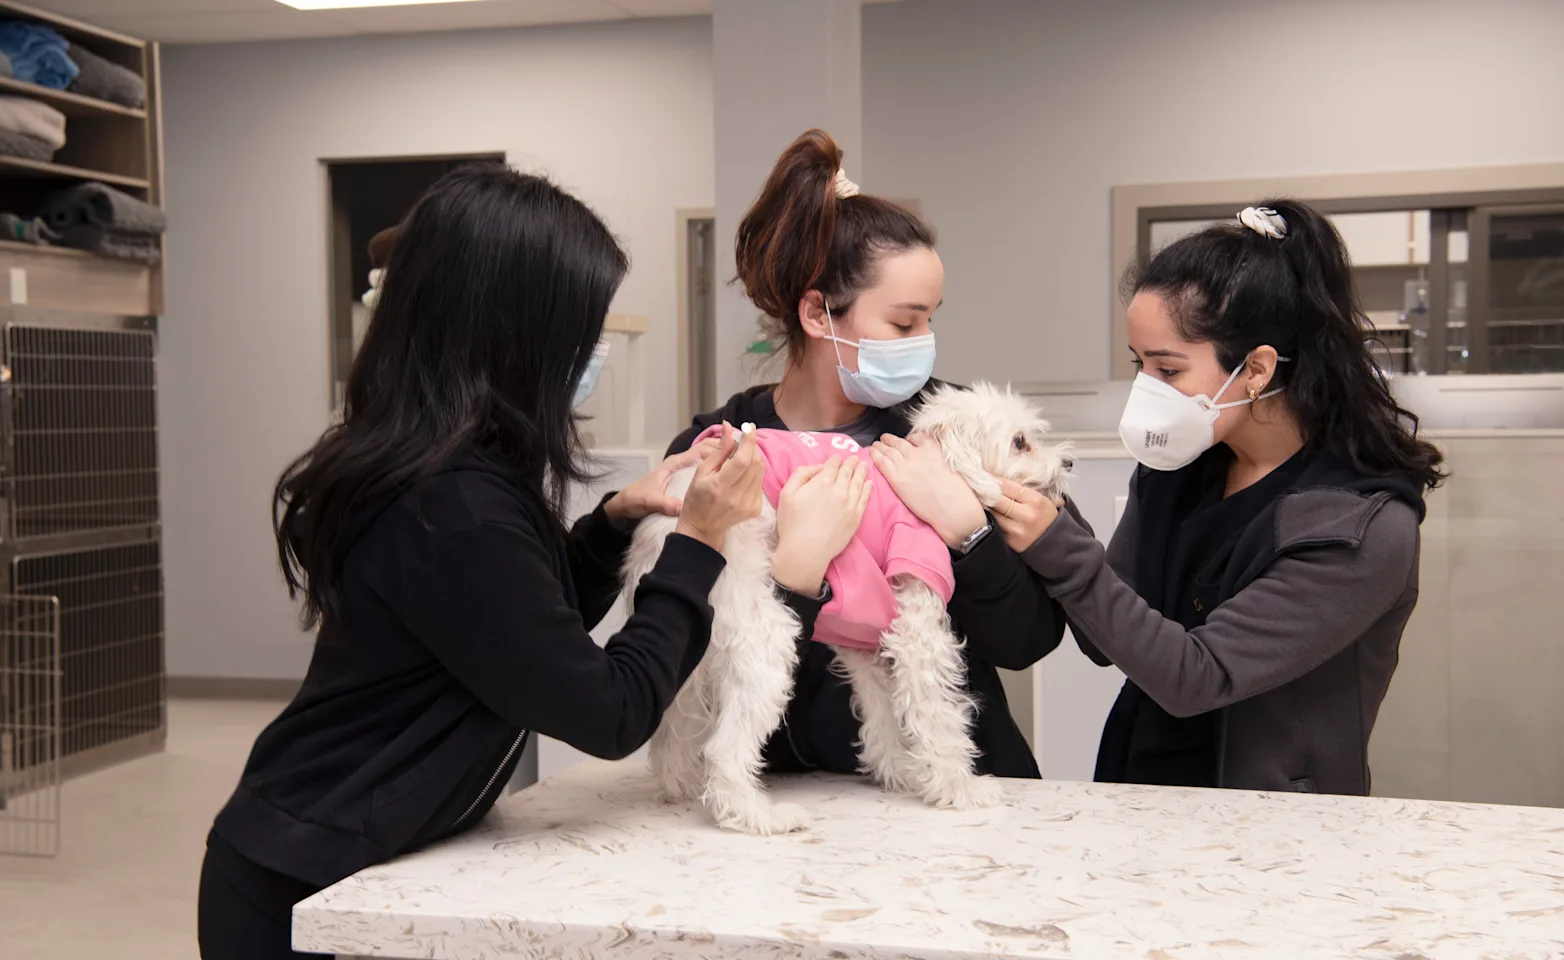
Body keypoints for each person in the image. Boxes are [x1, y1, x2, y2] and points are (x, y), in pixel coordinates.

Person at [197, 164, 869, 959]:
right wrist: (697, 545)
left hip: (348, 855)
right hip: (303, 888)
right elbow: (608, 711)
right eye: (582, 330)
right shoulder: (449, 506)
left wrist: (614, 525)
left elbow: (518, 638)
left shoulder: (451, 465)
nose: (595, 351)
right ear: (515, 333)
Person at [970, 200, 1444, 795]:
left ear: (1256, 369)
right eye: (1139, 365)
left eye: (1168, 371)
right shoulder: (1177, 470)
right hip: (1144, 796)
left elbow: (1196, 677)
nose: (1147, 391)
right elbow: (1102, 635)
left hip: (1276, 830)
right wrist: (1038, 495)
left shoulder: (1361, 529)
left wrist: (1053, 540)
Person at [668, 129, 1070, 780]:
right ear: (817, 313)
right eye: (905, 323)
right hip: (796, 793)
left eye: (932, 319)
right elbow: (685, 646)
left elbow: (1029, 641)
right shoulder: (727, 448)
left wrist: (967, 534)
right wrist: (794, 570)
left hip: (959, 781)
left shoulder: (961, 430)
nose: (926, 341)